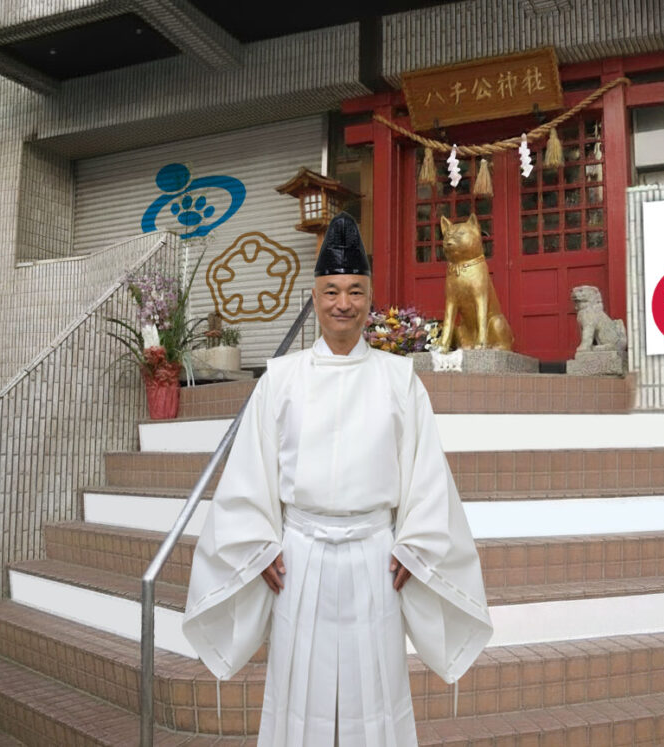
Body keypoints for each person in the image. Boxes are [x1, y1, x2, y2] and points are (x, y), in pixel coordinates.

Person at [182, 212, 492, 746]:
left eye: (354, 291)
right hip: (300, 556)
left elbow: (426, 474)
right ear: (315, 295)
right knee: (299, 691)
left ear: (369, 297)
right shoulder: (281, 378)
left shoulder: (400, 379)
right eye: (331, 291)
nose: (342, 303)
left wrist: (414, 545)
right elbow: (250, 471)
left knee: (377, 690)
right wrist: (258, 544)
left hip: (375, 554)